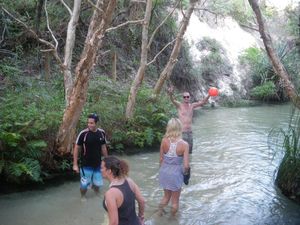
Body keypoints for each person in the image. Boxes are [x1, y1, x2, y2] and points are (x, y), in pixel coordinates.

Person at [158, 118, 190, 216]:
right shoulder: (184, 144)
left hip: (164, 171)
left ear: (169, 128)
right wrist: (186, 175)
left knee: (166, 197)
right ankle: (172, 219)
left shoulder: (164, 141)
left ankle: (159, 214)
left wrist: (163, 171)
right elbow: (186, 165)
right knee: (175, 201)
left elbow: (161, 159)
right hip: (176, 173)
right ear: (180, 128)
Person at [101, 156, 145, 225]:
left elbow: (114, 223)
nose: (100, 170)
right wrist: (141, 217)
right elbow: (142, 201)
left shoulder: (111, 193)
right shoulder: (129, 181)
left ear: (109, 171)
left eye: (102, 168)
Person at [73, 113, 108, 199]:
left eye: (91, 123)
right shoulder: (83, 134)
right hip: (85, 164)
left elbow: (103, 147)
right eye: (88, 122)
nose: (89, 125)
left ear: (97, 123)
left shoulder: (101, 133)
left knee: (98, 183)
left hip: (98, 164)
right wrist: (75, 164)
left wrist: (107, 160)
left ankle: (96, 192)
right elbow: (76, 148)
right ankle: (83, 196)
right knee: (84, 185)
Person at [167, 86, 210, 154]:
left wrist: (209, 94)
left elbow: (203, 102)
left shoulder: (192, 106)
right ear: (183, 98)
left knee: (190, 152)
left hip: (190, 132)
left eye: (187, 96)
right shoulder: (179, 105)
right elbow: (172, 100)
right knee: (181, 152)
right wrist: (170, 94)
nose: (186, 98)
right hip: (182, 133)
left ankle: (189, 164)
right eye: (184, 97)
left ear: (190, 97)